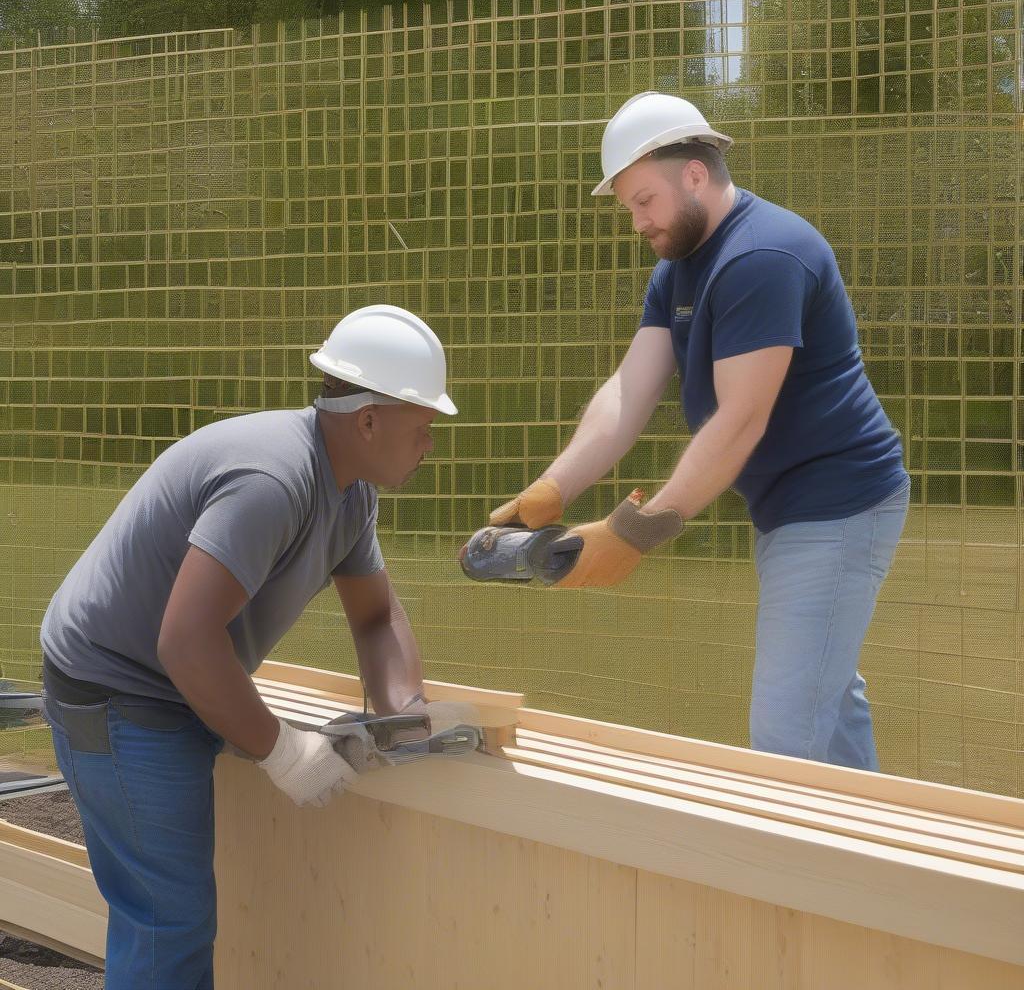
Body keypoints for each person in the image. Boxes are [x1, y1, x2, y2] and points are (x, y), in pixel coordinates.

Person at [40, 304, 472, 989]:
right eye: (421, 427)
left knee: (172, 917)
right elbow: (185, 643)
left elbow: (376, 617)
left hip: (167, 682)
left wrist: (403, 715)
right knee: (167, 922)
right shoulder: (272, 482)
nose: (428, 444)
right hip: (116, 691)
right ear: (368, 421)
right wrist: (282, 749)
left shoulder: (350, 494)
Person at [491, 92, 910, 772]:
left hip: (839, 504)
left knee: (785, 741)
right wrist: (554, 486)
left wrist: (640, 529)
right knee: (825, 710)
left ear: (693, 174)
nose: (637, 222)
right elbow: (628, 393)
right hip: (792, 507)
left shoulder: (764, 254)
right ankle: (878, 866)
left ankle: (790, 876)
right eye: (630, 206)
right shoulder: (677, 270)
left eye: (644, 200)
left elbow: (740, 421)